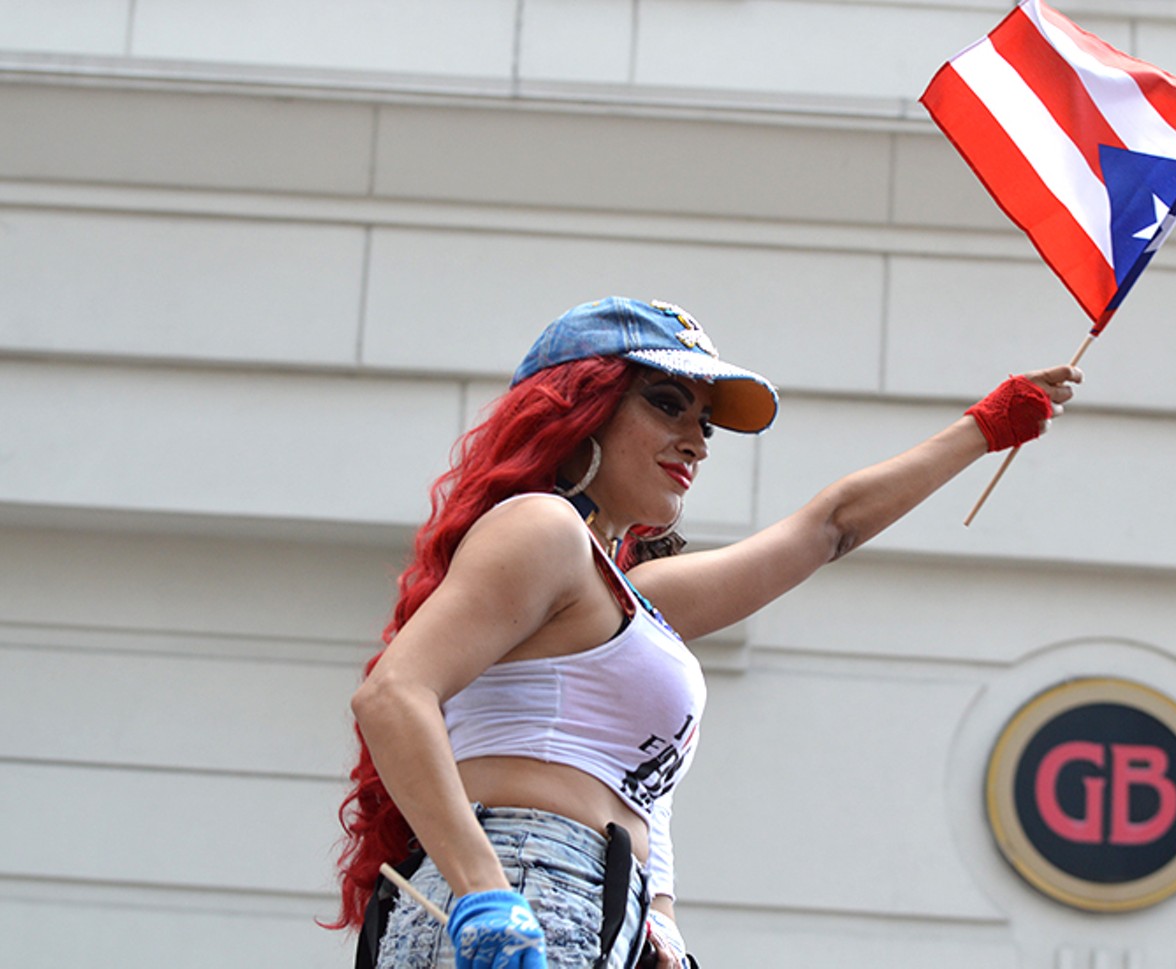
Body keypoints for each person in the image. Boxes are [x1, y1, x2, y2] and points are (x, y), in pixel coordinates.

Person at [329, 296, 1083, 968]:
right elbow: (393, 693)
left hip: (596, 910)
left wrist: (981, 430)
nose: (697, 441)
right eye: (667, 403)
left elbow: (827, 530)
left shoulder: (629, 596)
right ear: (580, 407)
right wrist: (485, 893)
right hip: (524, 880)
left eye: (705, 422)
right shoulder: (543, 527)